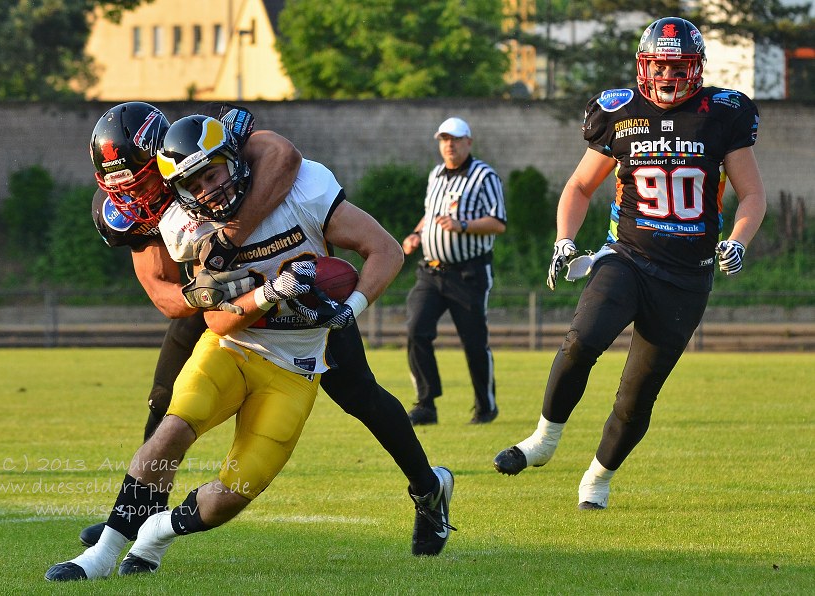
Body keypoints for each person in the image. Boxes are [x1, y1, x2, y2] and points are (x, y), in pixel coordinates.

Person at [46, 116, 452, 581]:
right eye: (123, 187)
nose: (135, 196)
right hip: (225, 316)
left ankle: (427, 488)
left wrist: (232, 239)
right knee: (170, 410)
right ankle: (125, 528)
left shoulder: (272, 175)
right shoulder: (173, 220)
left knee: (360, 395)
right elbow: (174, 300)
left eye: (139, 181)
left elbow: (284, 157)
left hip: (304, 332)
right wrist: (240, 291)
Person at [492, 17, 767, 510]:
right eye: (658, 63)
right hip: (627, 256)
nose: (666, 74)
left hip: (687, 276)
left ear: (696, 67)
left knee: (637, 395)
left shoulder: (722, 113)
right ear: (643, 64)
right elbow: (579, 187)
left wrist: (740, 240)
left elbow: (752, 195)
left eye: (677, 64)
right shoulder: (618, 112)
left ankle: (597, 478)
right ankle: (544, 439)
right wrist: (564, 241)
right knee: (582, 340)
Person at [402, 117, 507, 426]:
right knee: (415, 330)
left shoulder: (485, 176)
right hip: (430, 272)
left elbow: (498, 222)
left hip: (468, 273)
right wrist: (416, 235)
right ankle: (426, 404)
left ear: (468, 142)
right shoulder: (436, 174)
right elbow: (430, 214)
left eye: (455, 139)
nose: (449, 145)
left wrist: (463, 226)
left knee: (474, 343)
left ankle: (485, 406)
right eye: (444, 139)